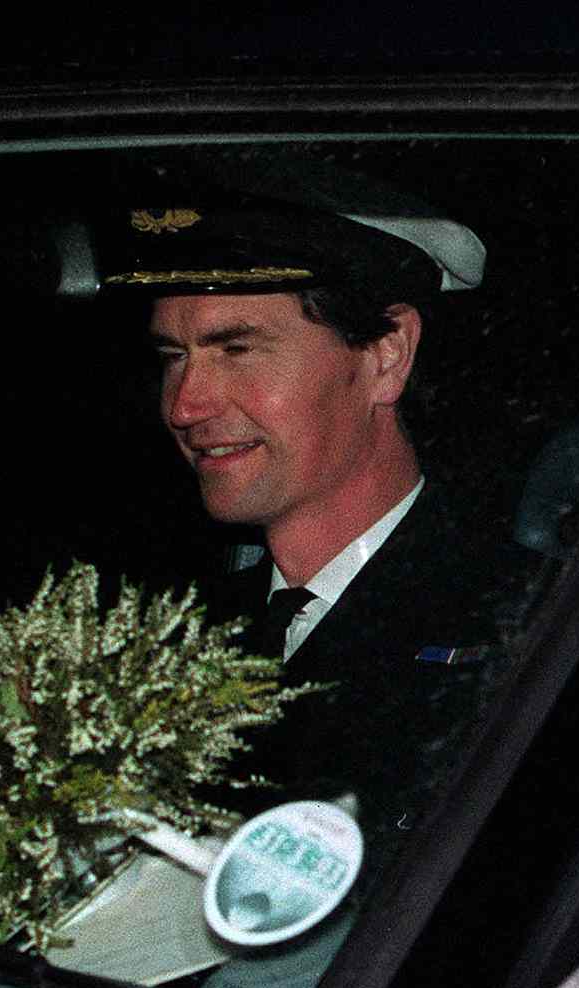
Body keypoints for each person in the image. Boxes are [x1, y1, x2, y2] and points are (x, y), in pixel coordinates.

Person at [101, 193, 546, 868]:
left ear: (385, 356)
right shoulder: (166, 631)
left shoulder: (527, 624)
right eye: (172, 356)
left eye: (238, 349)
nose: (186, 404)